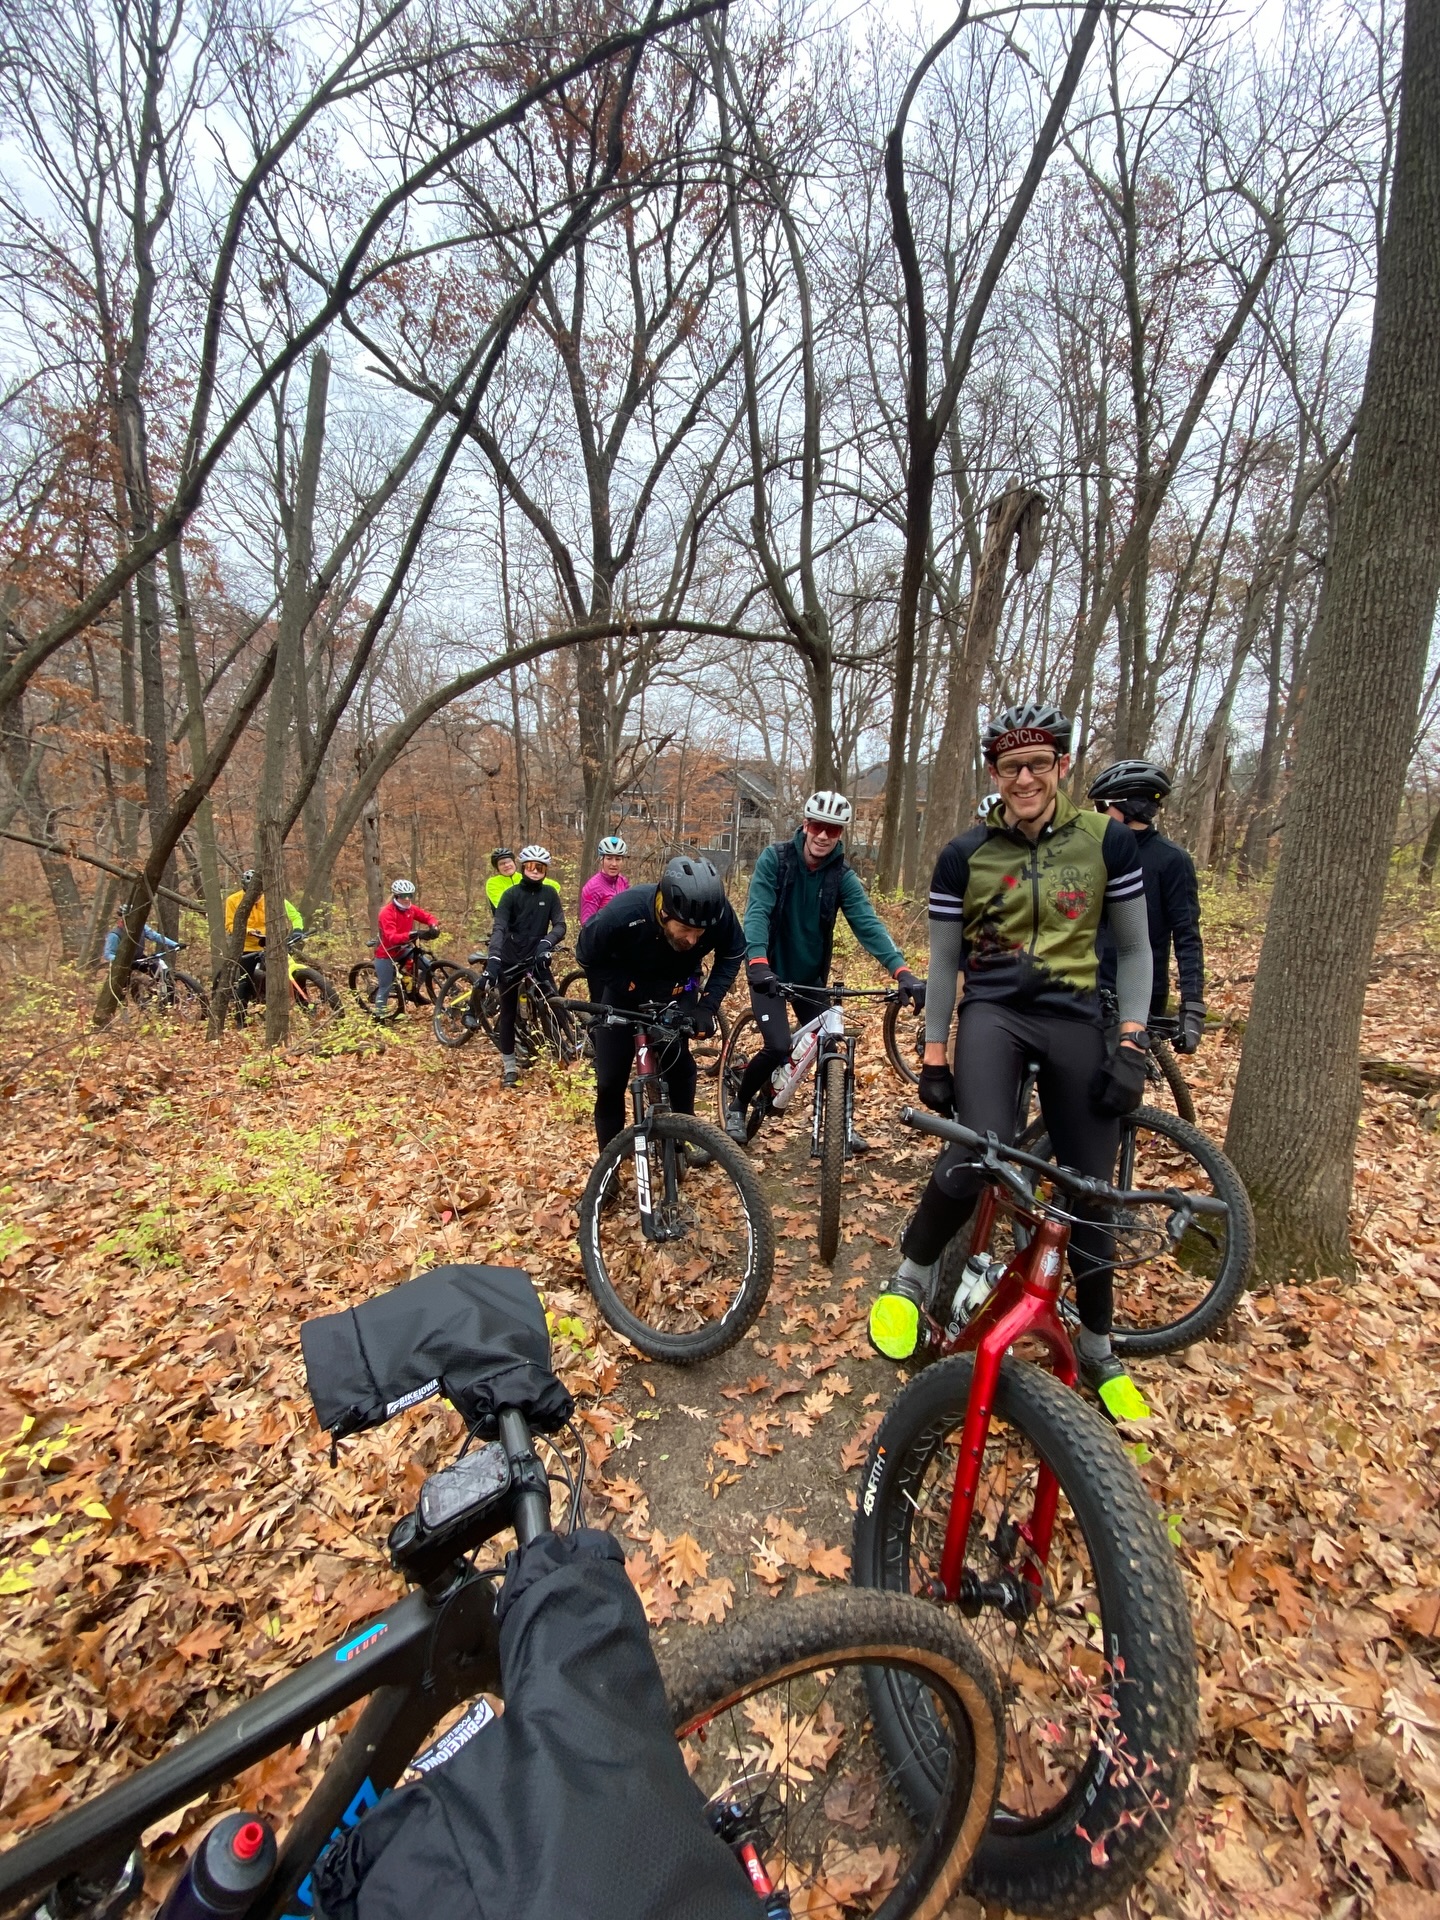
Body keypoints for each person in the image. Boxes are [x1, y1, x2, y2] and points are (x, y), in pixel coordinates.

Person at [867, 701, 1155, 1424]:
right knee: (978, 1152)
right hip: (994, 1012)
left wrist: (1131, 1041)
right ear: (994, 773)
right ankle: (909, 1278)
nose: (1024, 778)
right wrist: (934, 1055)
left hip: (1075, 1015)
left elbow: (1138, 948)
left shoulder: (1105, 843)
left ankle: (1098, 1344)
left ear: (1061, 767)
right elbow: (940, 962)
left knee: (1089, 1190)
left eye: (1037, 764)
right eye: (1009, 766)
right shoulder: (965, 854)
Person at [726, 790, 925, 1153]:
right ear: (805, 824)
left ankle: (840, 1123)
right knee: (778, 1045)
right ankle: (738, 1104)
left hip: (808, 977)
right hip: (767, 972)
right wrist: (756, 960)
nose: (823, 835)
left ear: (840, 835)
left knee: (833, 1045)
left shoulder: (841, 877)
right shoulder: (776, 860)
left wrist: (902, 971)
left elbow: (867, 924)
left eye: (832, 830)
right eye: (817, 825)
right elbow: (757, 911)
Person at [575, 855, 744, 1151]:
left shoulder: (715, 913)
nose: (692, 940)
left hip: (678, 989)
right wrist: (616, 995)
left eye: (699, 934)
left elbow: (732, 952)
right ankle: (609, 1164)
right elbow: (587, 956)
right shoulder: (624, 912)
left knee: (677, 1061)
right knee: (610, 1080)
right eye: (685, 930)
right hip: (625, 992)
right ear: (665, 912)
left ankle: (685, 1133)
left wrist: (707, 1005)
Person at [1088, 760, 1206, 1053]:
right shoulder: (1094, 852)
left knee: (1122, 1086)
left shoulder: (1171, 860)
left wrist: (1192, 1009)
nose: (1096, 814)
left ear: (1129, 808)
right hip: (1087, 985)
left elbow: (1187, 935)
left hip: (1141, 993)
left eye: (1102, 806)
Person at [473, 847, 567, 1087]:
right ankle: (510, 1067)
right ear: (523, 867)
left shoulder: (550, 894)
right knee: (508, 1011)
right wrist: (494, 958)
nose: (535, 872)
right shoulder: (511, 895)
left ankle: (569, 1050)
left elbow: (560, 925)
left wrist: (547, 942)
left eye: (541, 867)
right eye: (531, 867)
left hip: (537, 957)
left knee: (555, 1002)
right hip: (510, 959)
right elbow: (500, 928)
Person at [224, 870, 303, 1002]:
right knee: (245, 983)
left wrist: (298, 929)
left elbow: (295, 915)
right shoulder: (233, 900)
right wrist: (249, 931)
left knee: (286, 972)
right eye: (252, 894)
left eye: (259, 893)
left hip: (271, 943)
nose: (257, 897)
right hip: (247, 946)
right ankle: (241, 1018)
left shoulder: (272, 898)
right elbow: (230, 925)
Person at [373, 878, 438, 1012]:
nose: (407, 899)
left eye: (410, 895)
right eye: (403, 896)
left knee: (428, 967)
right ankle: (379, 1017)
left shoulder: (410, 909)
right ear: (396, 896)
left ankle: (414, 992)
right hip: (386, 953)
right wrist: (413, 934)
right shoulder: (387, 913)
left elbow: (427, 916)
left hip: (403, 949)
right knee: (385, 986)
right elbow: (392, 938)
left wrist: (433, 926)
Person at [102, 906, 179, 965]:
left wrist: (175, 944)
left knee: (156, 968)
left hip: (139, 959)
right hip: (123, 966)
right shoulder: (114, 935)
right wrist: (123, 960)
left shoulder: (141, 927)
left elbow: (155, 936)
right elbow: (108, 954)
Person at [579, 836, 630, 923]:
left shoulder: (623, 881)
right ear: (601, 860)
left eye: (618, 859)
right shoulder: (592, 887)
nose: (614, 864)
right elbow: (587, 925)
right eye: (609, 859)